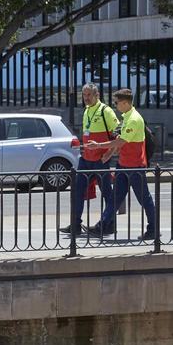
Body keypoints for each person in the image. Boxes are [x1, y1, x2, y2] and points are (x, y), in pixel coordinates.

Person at [88, 88, 158, 240]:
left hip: (134, 166)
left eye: (116, 102)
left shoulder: (134, 119)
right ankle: (103, 225)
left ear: (125, 103)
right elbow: (120, 141)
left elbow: (121, 141)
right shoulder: (126, 116)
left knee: (144, 198)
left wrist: (99, 146)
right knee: (115, 197)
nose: (115, 105)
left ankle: (153, 228)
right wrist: (109, 153)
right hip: (124, 164)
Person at [61, 83, 119, 235]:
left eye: (89, 95)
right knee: (77, 191)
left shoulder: (106, 111)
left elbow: (119, 136)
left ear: (96, 95)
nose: (86, 98)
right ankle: (75, 225)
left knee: (107, 193)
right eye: (84, 95)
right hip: (86, 159)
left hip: (100, 160)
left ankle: (108, 224)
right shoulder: (87, 110)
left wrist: (109, 154)